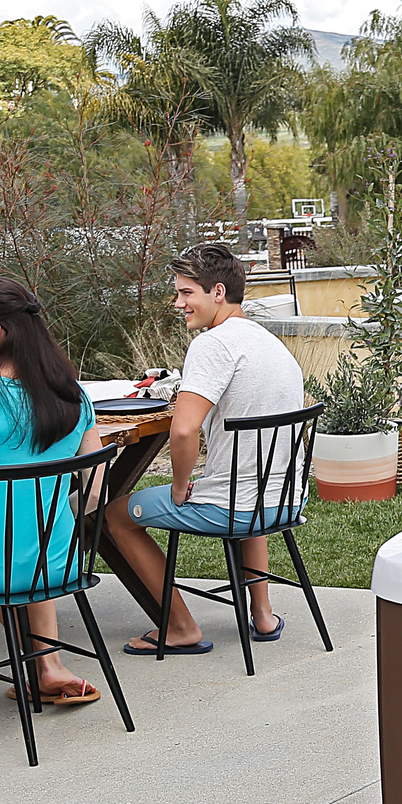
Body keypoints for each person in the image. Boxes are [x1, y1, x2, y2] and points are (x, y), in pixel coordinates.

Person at [106, 243, 306, 655]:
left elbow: (182, 431)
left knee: (114, 515)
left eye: (185, 293)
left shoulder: (213, 344)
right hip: (283, 500)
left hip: (237, 507)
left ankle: (180, 627)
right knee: (241, 484)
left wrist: (180, 486)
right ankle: (263, 615)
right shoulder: (266, 341)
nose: (177, 302)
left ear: (217, 292)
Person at [0, 276, 105, 705]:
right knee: (28, 547)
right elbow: (95, 491)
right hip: (63, 563)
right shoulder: (73, 394)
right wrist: (51, 514)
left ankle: (40, 666)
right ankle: (49, 664)